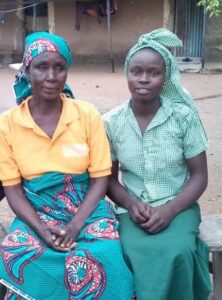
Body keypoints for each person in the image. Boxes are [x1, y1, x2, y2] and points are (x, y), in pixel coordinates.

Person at [0, 32, 134, 300]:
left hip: (87, 209)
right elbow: (13, 190)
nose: (51, 76)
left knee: (105, 255)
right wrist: (40, 229)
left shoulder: (86, 115)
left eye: (59, 68)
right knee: (18, 252)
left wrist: (75, 225)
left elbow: (100, 178)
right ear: (27, 70)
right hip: (37, 211)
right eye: (42, 67)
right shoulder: (8, 124)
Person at [104, 28, 212, 300]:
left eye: (153, 73)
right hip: (132, 208)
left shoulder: (183, 117)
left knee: (179, 251)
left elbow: (199, 176)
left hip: (179, 204)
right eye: (136, 71)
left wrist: (169, 210)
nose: (143, 79)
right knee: (125, 250)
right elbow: (108, 179)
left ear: (165, 78)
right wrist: (131, 204)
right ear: (127, 73)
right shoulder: (112, 123)